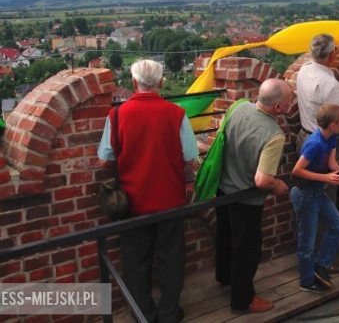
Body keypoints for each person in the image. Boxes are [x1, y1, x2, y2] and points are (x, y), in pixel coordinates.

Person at [97, 59, 198, 323]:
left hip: (132, 201)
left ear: (133, 82)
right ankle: (169, 313)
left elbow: (103, 160)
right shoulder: (175, 113)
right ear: (161, 82)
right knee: (171, 259)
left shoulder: (117, 114)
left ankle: (142, 312)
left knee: (135, 261)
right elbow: (190, 155)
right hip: (170, 198)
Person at [215, 79, 294, 314]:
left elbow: (222, 138)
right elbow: (262, 180)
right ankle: (243, 300)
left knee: (225, 236)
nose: (292, 103)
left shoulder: (238, 107)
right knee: (247, 250)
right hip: (246, 199)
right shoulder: (274, 135)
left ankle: (225, 278)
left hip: (223, 190)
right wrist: (278, 184)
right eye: (290, 100)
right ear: (278, 107)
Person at [291, 104, 339, 294]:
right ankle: (306, 281)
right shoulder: (314, 143)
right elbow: (297, 170)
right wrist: (326, 178)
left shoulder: (332, 137)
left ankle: (320, 264)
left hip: (317, 192)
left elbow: (331, 162)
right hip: (305, 193)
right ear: (333, 125)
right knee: (307, 242)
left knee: (338, 225)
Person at [296, 34, 339, 150]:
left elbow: (323, 59)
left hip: (303, 139)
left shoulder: (304, 69)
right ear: (332, 55)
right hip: (323, 146)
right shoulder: (331, 85)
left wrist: (338, 48)